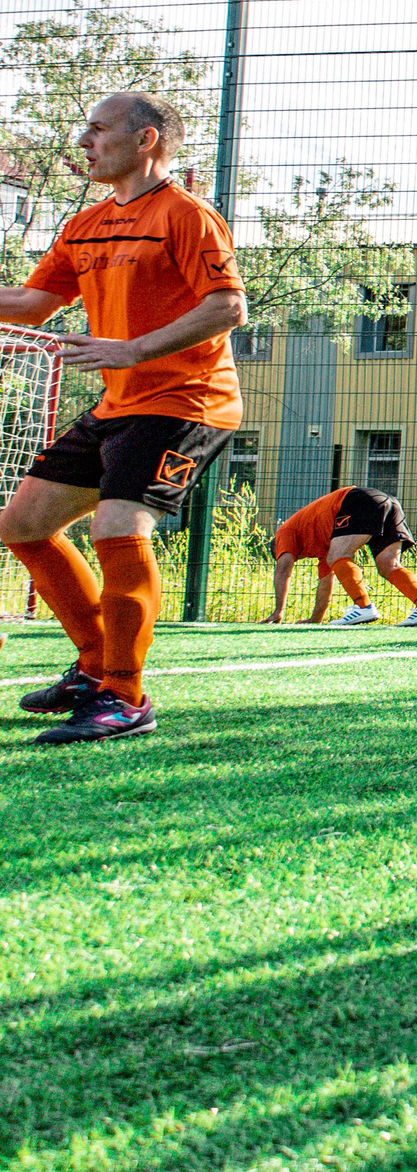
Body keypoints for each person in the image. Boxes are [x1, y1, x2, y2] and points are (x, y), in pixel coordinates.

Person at [0, 92, 246, 743]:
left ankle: (125, 696)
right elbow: (29, 305)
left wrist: (132, 348)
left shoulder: (188, 216)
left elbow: (227, 307)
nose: (84, 140)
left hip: (186, 402)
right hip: (119, 405)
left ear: (146, 140)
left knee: (118, 523)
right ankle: (93, 666)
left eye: (98, 129)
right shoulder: (84, 225)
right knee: (23, 524)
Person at [264, 485, 417, 626]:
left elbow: (283, 570)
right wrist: (315, 619)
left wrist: (278, 611)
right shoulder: (321, 543)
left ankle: (363, 606)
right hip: (388, 503)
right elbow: (326, 581)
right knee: (388, 564)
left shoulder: (284, 532)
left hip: (356, 500)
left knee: (338, 556)